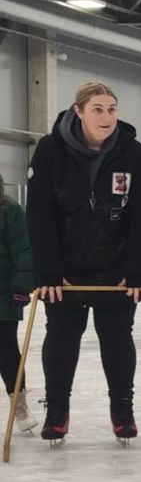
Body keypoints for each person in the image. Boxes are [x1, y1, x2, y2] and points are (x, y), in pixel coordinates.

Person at [26, 81, 141, 443]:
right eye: (97, 109)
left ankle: (122, 410)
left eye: (112, 109)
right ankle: (57, 411)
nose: (106, 116)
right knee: (62, 336)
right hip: (65, 271)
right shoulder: (50, 149)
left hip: (115, 270)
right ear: (79, 111)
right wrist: (48, 272)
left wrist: (136, 271)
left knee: (117, 337)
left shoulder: (132, 153)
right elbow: (39, 216)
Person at [1, 173, 36, 431]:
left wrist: (22, 287)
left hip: (3, 295)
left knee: (6, 350)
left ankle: (19, 405)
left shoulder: (10, 211)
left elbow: (24, 250)